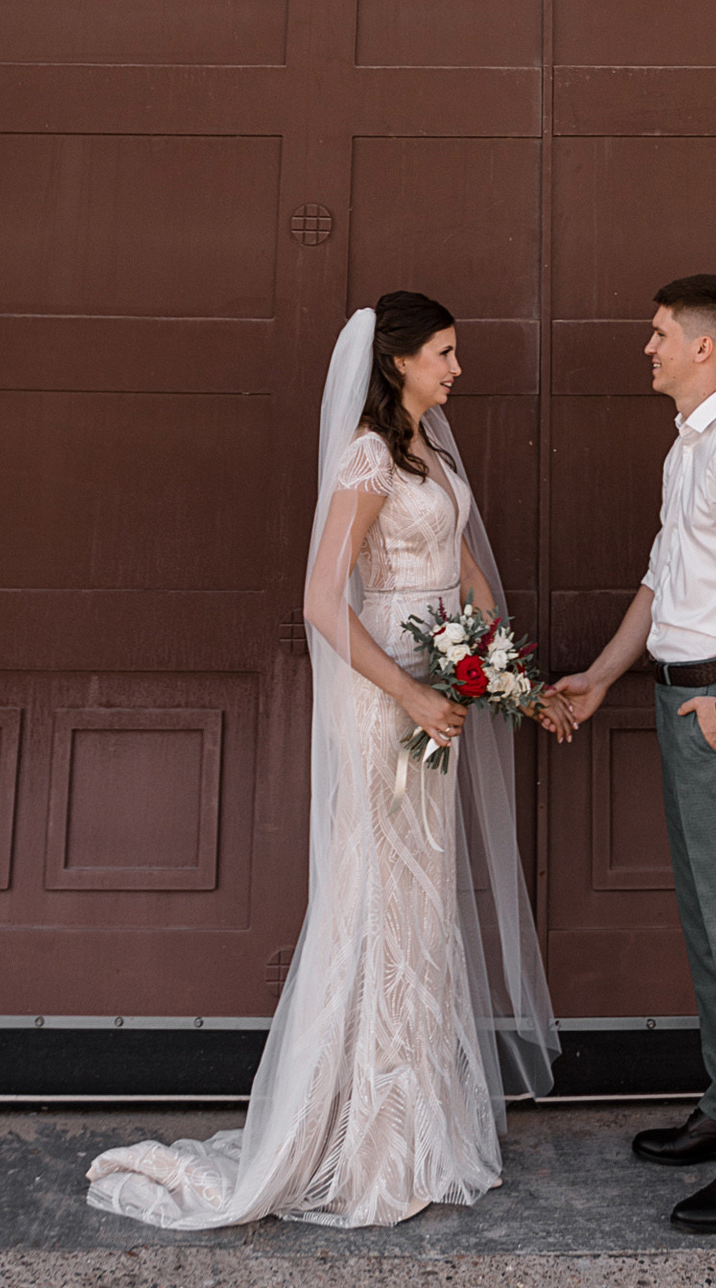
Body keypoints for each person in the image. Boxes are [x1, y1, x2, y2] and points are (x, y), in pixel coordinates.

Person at [85, 291, 557, 1231]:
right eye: (445, 354)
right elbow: (320, 599)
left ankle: (412, 1125)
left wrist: (493, 662)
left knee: (420, 900)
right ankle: (352, 1134)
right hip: (384, 696)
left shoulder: (430, 451)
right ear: (398, 362)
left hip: (439, 687)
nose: (457, 370)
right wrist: (413, 691)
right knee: (375, 893)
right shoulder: (369, 457)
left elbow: (459, 563)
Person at [549, 272, 716, 1230]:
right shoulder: (690, 445)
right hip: (682, 702)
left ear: (705, 346)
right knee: (710, 923)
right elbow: (664, 582)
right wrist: (605, 675)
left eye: (659, 333)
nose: (647, 346)